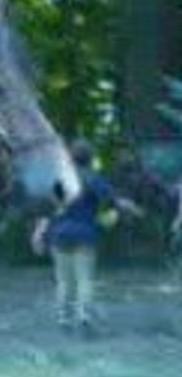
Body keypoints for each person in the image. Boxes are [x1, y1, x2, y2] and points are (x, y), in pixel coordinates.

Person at [32, 138, 141, 334]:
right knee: (85, 280)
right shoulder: (94, 178)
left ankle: (64, 319)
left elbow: (48, 211)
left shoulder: (59, 181)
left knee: (63, 281)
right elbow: (115, 201)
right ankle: (84, 318)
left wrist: (38, 234)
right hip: (85, 235)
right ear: (90, 158)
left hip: (59, 236)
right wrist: (133, 209)